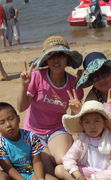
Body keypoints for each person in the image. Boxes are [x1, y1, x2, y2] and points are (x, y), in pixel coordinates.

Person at [17, 36, 83, 165]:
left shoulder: (73, 83)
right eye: (51, 56)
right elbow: (20, 108)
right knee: (44, 162)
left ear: (67, 58)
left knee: (62, 160)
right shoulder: (36, 77)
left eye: (61, 55)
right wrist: (24, 86)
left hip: (57, 129)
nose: (56, 60)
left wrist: (77, 111)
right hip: (33, 130)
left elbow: (74, 121)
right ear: (46, 60)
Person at [55, 101, 111, 180]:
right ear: (82, 124)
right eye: (87, 122)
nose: (92, 126)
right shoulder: (82, 139)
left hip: (105, 175)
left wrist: (93, 179)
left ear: (105, 123)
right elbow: (68, 158)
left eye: (97, 121)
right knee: (59, 170)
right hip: (86, 171)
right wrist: (77, 175)